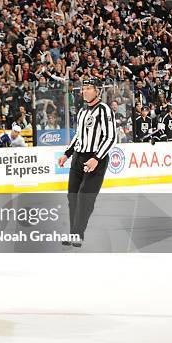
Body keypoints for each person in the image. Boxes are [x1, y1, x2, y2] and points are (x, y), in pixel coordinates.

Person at [57, 79, 116, 248]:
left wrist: (97, 158)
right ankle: (73, 233)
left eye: (89, 88)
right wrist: (67, 153)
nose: (84, 91)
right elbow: (78, 135)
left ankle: (77, 234)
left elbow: (111, 137)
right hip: (78, 157)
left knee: (85, 198)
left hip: (95, 159)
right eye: (83, 88)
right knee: (73, 197)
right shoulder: (83, 111)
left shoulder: (104, 110)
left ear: (97, 91)